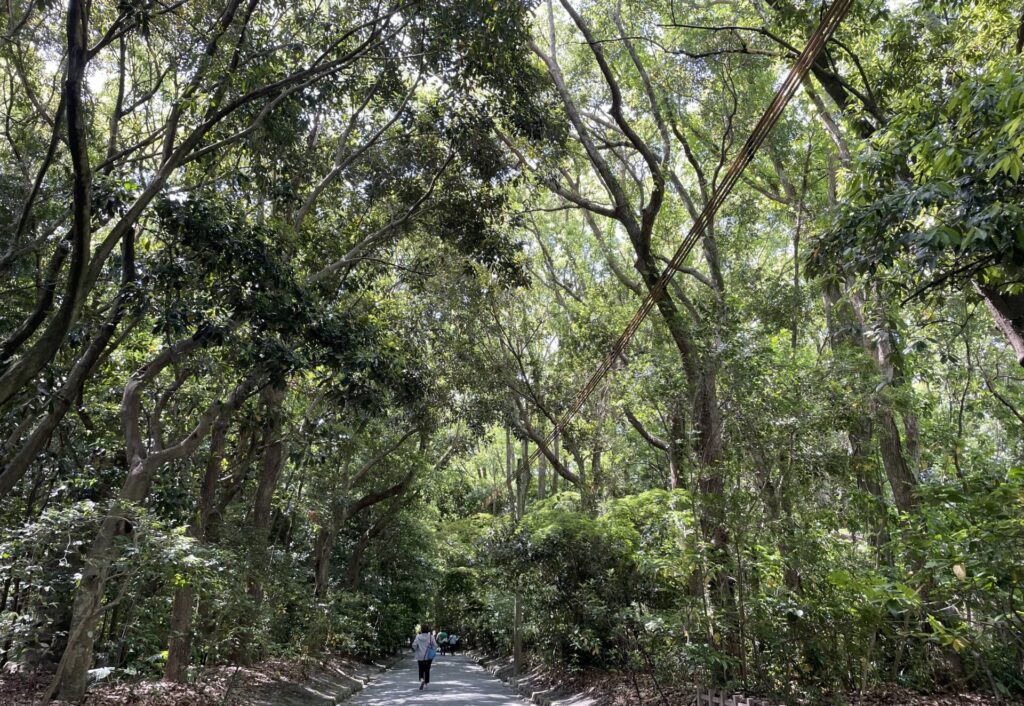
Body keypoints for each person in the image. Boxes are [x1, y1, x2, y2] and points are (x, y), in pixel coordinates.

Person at [412, 623, 439, 690]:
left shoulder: (418, 637)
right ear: (428, 630)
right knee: (427, 670)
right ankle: (426, 683)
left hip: (420, 656)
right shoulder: (431, 637)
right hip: (428, 656)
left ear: (421, 630)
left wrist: (417, 649)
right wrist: (432, 648)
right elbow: (435, 645)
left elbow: (414, 645)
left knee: (421, 669)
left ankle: (421, 679)